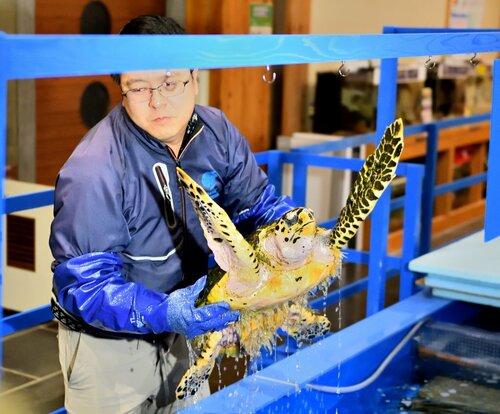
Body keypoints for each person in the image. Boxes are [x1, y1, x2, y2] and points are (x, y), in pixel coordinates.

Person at [49, 14, 295, 414]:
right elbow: (85, 286)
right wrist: (162, 312)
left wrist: (289, 230)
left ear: (194, 76)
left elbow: (256, 207)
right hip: (109, 341)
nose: (157, 100)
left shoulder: (217, 132)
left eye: (170, 81)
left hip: (188, 320)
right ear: (121, 90)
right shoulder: (95, 167)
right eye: (138, 87)